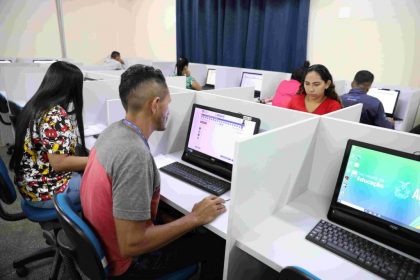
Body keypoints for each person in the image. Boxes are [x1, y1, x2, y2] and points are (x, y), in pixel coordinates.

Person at [80, 65, 226, 278]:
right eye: (169, 103)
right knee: (214, 242)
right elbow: (132, 245)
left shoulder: (113, 131)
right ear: (155, 105)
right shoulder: (134, 155)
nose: (169, 110)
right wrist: (194, 218)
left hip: (103, 242)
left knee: (181, 222)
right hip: (127, 263)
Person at [9, 61, 88, 208]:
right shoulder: (54, 115)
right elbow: (59, 164)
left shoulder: (35, 105)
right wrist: (97, 160)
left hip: (31, 185)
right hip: (46, 191)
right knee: (105, 186)